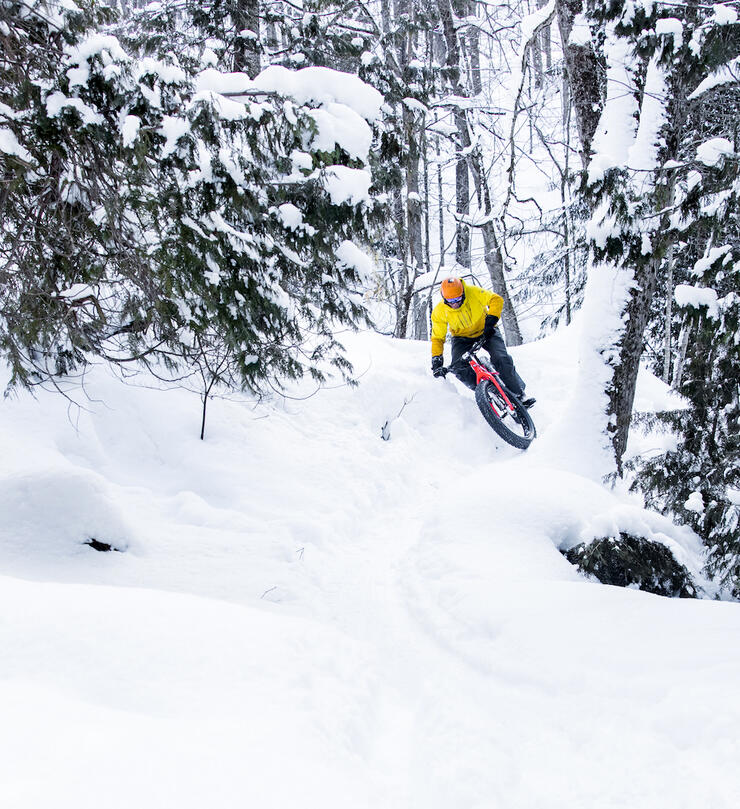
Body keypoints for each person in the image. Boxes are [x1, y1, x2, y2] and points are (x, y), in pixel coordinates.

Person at [430, 276, 535, 407]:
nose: (454, 304)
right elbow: (437, 338)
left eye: (457, 299)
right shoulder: (439, 311)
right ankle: (487, 390)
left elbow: (496, 299)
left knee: (501, 358)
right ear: (444, 298)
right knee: (458, 367)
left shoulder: (473, 292)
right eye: (450, 301)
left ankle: (519, 394)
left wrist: (491, 321)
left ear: (463, 293)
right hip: (462, 339)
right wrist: (436, 359)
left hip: (486, 331)